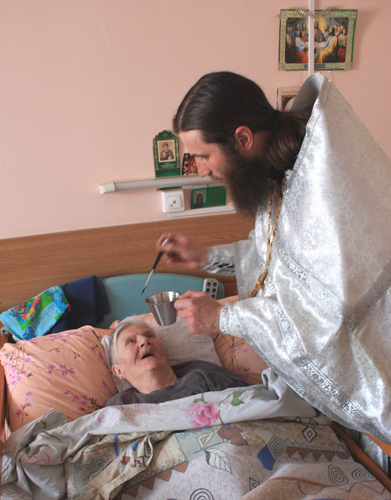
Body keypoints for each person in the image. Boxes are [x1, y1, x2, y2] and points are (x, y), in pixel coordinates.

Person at [154, 71, 391, 443]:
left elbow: (316, 322)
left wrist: (222, 317)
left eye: (203, 156)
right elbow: (274, 258)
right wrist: (206, 256)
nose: (201, 170)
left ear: (242, 138)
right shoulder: (276, 174)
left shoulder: (318, 191)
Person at [106, 317, 249, 406]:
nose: (144, 340)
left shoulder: (203, 375)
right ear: (118, 371)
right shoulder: (120, 406)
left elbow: (251, 403)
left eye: (149, 336)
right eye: (130, 341)